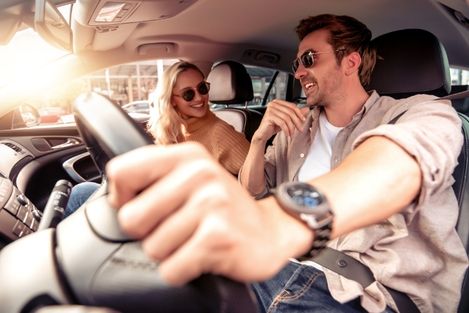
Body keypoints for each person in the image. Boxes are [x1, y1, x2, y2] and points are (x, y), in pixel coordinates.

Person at [105, 14, 467, 313]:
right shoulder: (297, 128)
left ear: (351, 61)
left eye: (309, 59)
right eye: (297, 63)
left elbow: (397, 163)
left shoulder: (421, 113)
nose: (298, 72)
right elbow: (253, 191)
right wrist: (260, 138)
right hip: (287, 270)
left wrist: (281, 221)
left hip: (370, 293)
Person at [64, 61, 250, 217]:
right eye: (188, 93)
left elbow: (259, 184)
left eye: (202, 88)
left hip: (185, 217)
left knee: (80, 195)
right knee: (83, 189)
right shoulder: (176, 129)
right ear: (172, 99)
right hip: (163, 203)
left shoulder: (221, 132)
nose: (200, 98)